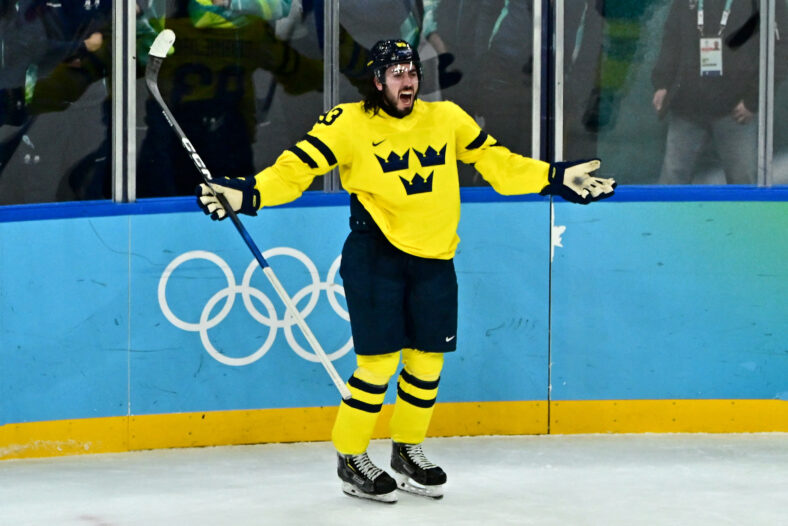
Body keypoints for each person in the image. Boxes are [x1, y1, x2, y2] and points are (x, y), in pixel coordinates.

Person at [195, 39, 615, 503]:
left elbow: (499, 165)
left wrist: (553, 178)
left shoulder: (446, 119)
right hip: (376, 256)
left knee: (426, 364)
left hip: (434, 260)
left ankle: (406, 450)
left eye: (411, 70)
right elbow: (295, 170)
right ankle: (351, 456)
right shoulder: (348, 122)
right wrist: (249, 193)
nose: (408, 79)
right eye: (395, 72)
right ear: (377, 81)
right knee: (376, 367)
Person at [651, 0, 787, 184]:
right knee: (672, 180)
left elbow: (778, 51)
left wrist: (753, 101)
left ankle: (742, 214)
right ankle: (666, 214)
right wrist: (663, 83)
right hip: (688, 106)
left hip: (737, 109)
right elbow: (672, 36)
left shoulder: (765, 2)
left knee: (743, 182)